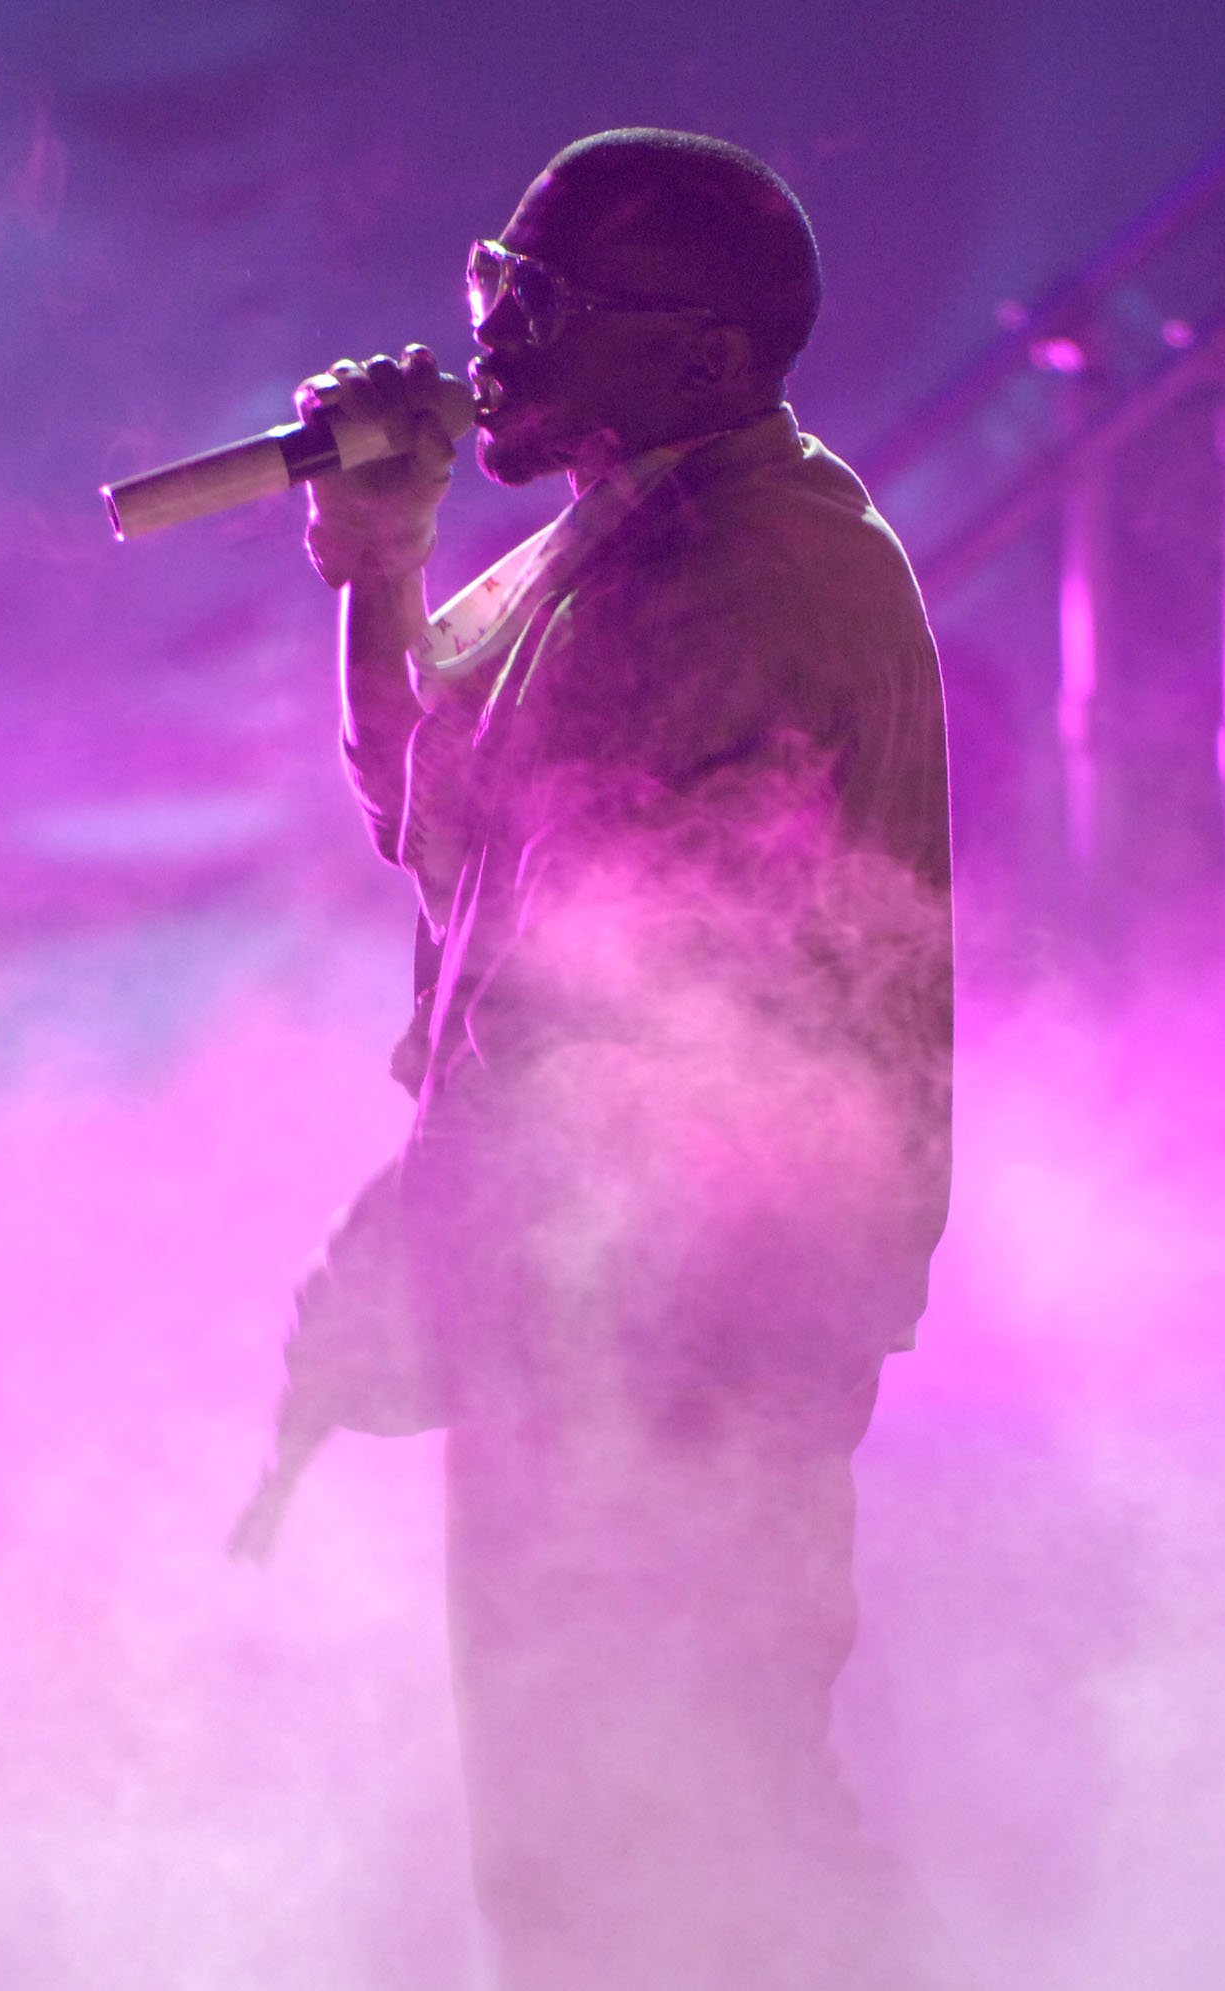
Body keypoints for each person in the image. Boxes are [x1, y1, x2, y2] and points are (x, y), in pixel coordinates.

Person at [242, 128, 954, 1991]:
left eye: (551, 308)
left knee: (683, 1832)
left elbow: (584, 997)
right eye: (499, 283)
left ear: (709, 359)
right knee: (599, 1842)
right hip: (599, 1311)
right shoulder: (637, 523)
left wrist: (417, 1241)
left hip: (694, 1318)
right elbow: (432, 807)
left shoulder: (745, 577)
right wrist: (375, 565)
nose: (493, 342)